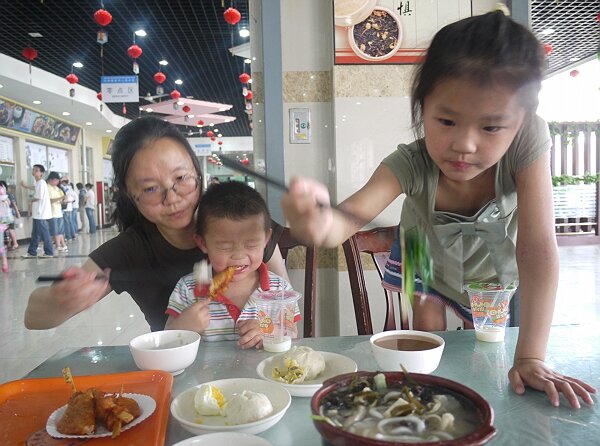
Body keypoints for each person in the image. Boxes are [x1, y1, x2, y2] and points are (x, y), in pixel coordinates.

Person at [281, 11, 596, 408]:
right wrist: (313, 221)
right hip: (419, 254)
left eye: (491, 127)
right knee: (430, 346)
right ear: (422, 108)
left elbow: (536, 248)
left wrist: (532, 357)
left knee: (489, 351)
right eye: (446, 120)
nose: (464, 144)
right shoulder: (410, 163)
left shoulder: (529, 141)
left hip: (492, 268)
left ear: (521, 121)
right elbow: (344, 220)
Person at [24, 116, 288, 332]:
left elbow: (284, 305)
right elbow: (33, 317)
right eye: (150, 189)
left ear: (197, 172)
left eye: (181, 178)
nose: (172, 198)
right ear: (128, 193)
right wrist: (63, 298)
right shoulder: (131, 250)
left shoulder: (242, 221)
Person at [165, 181, 299, 349]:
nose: (239, 256)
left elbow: (293, 332)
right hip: (209, 375)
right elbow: (166, 337)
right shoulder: (187, 289)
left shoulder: (280, 289)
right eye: (225, 246)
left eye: (251, 245)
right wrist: (183, 327)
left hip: (262, 373)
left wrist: (268, 330)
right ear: (203, 243)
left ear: (266, 239)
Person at [21, 164, 54, 258]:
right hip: (37, 214)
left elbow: (38, 197)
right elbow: (35, 188)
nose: (34, 171)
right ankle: (32, 252)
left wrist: (30, 200)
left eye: (36, 170)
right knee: (35, 233)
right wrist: (26, 187)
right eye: (33, 170)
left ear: (41, 173)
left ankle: (49, 252)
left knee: (44, 233)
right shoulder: (38, 183)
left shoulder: (41, 183)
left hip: (41, 213)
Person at [46, 172, 68, 252]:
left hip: (59, 212)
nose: (58, 182)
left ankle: (63, 244)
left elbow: (62, 200)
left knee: (60, 230)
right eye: (56, 180)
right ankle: (58, 245)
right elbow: (49, 201)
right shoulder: (47, 188)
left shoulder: (58, 188)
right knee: (55, 230)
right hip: (52, 213)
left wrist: (65, 201)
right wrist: (60, 198)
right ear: (51, 180)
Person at [0, 180, 20, 250]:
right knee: (9, 230)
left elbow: (13, 204)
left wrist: (17, 213)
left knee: (11, 230)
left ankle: (15, 244)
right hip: (7, 216)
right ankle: (10, 244)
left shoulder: (7, 195)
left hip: (8, 215)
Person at [0, 184, 12, 272]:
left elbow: (7, 201)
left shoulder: (1, 187)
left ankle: (4, 262)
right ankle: (4, 262)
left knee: (0, 243)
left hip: (1, 219)